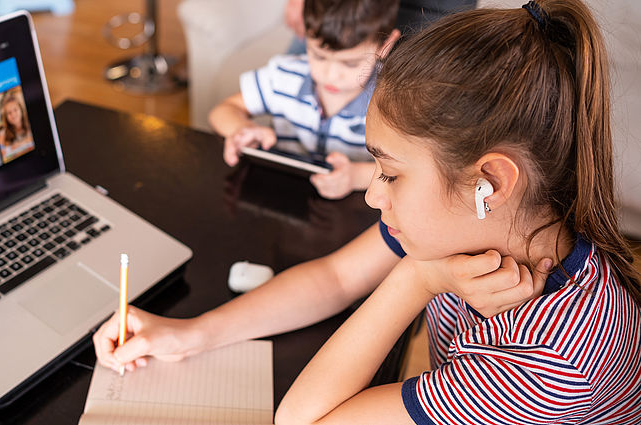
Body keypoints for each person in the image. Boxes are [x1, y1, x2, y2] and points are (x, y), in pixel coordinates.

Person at [96, 0, 641, 422]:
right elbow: (335, 277)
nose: (372, 195)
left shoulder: (553, 364)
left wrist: (418, 280)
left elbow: (301, 419)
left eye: (391, 173)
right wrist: (189, 334)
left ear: (489, 182)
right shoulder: (474, 226)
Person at [209, 0, 400, 200]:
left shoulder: (392, 101)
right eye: (319, 56)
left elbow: (405, 169)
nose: (331, 75)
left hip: (353, 210)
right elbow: (223, 110)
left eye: (350, 63)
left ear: (385, 44)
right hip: (279, 197)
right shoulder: (285, 75)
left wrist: (355, 177)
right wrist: (241, 129)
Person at [0, 92, 34, 163]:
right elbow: (1, 155)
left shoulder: (30, 124)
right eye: (9, 113)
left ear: (21, 110)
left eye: (15, 110)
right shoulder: (2, 135)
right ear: (6, 117)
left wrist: (20, 145)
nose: (13, 115)